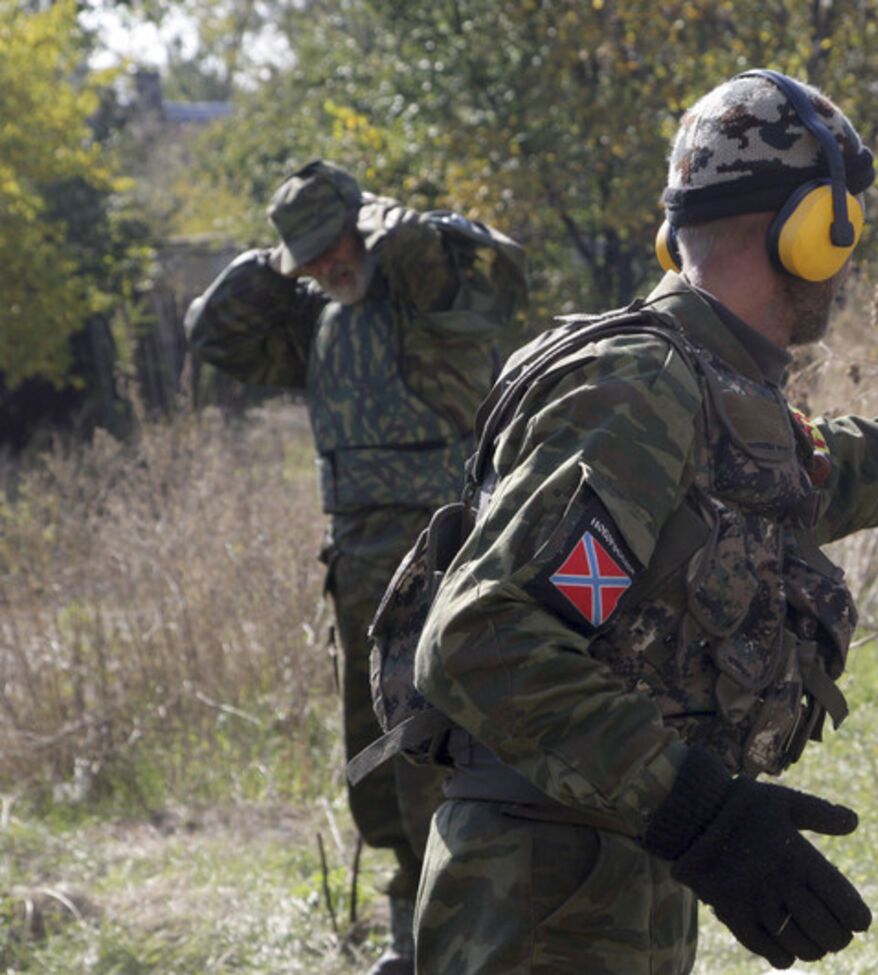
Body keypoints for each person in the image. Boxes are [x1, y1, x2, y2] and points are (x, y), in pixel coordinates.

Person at [409, 71, 878, 974]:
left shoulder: (708, 387)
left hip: (594, 872)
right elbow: (480, 637)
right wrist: (701, 813)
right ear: (816, 230)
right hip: (542, 898)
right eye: (849, 227)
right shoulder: (638, 387)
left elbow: (830, 473)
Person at [185, 160, 528, 975]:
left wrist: (369, 219)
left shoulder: (423, 283)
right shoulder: (320, 317)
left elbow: (430, 245)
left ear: (363, 224)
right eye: (305, 258)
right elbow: (213, 332)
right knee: (376, 753)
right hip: (358, 564)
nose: (324, 267)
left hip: (441, 549)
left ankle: (473, 938)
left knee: (436, 745)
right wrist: (279, 259)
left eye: (331, 246)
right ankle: (414, 936)